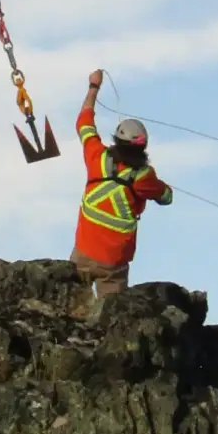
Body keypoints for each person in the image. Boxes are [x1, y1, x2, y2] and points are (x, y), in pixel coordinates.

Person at [70, 69, 174, 298]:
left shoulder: (97, 156)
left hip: (83, 254)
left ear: (116, 139)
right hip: (114, 263)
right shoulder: (144, 176)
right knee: (112, 316)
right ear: (143, 147)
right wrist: (164, 190)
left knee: (72, 307)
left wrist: (93, 87)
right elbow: (166, 197)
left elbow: (84, 122)